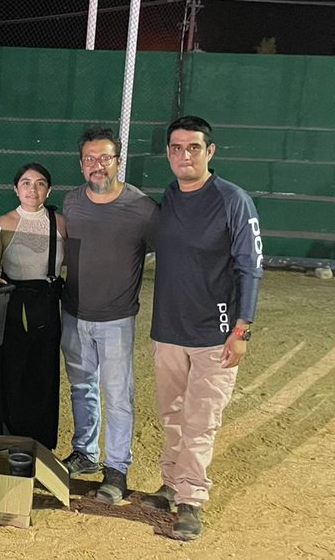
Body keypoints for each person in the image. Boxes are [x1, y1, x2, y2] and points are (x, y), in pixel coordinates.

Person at [147, 115, 263, 542]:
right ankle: (172, 482)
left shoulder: (233, 200)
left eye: (193, 147)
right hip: (169, 330)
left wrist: (242, 330)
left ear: (209, 152)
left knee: (201, 419)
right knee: (172, 413)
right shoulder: (170, 197)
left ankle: (191, 500)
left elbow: (250, 269)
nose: (184, 155)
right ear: (168, 154)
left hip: (215, 333)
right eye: (176, 148)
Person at [57, 128, 158, 505]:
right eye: (89, 159)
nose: (97, 166)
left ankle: (116, 469)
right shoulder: (71, 203)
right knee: (81, 387)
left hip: (117, 319)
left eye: (105, 158)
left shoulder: (143, 208)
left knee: (117, 396)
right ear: (81, 164)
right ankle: (85, 453)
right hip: (74, 314)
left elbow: (171, 251)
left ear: (118, 161)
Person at [0, 163, 67, 451]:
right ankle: (3, 438)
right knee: (11, 370)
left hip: (48, 302)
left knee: (44, 370)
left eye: (40, 183)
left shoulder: (60, 222)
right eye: (26, 183)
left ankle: (39, 441)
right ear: (16, 189)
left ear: (48, 190)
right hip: (15, 303)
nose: (33, 188)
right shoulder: (4, 222)